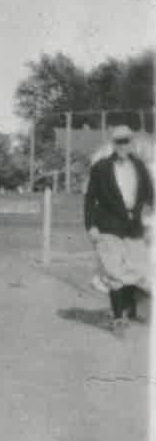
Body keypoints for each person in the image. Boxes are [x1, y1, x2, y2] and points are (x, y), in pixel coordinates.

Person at [84, 124, 154, 331]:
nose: (124, 145)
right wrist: (91, 226)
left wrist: (148, 218)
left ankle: (130, 309)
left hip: (134, 226)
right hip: (108, 225)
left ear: (132, 142)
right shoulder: (101, 168)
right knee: (114, 269)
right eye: (119, 141)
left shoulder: (140, 166)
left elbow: (150, 195)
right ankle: (118, 318)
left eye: (127, 140)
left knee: (136, 267)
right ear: (113, 144)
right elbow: (90, 199)